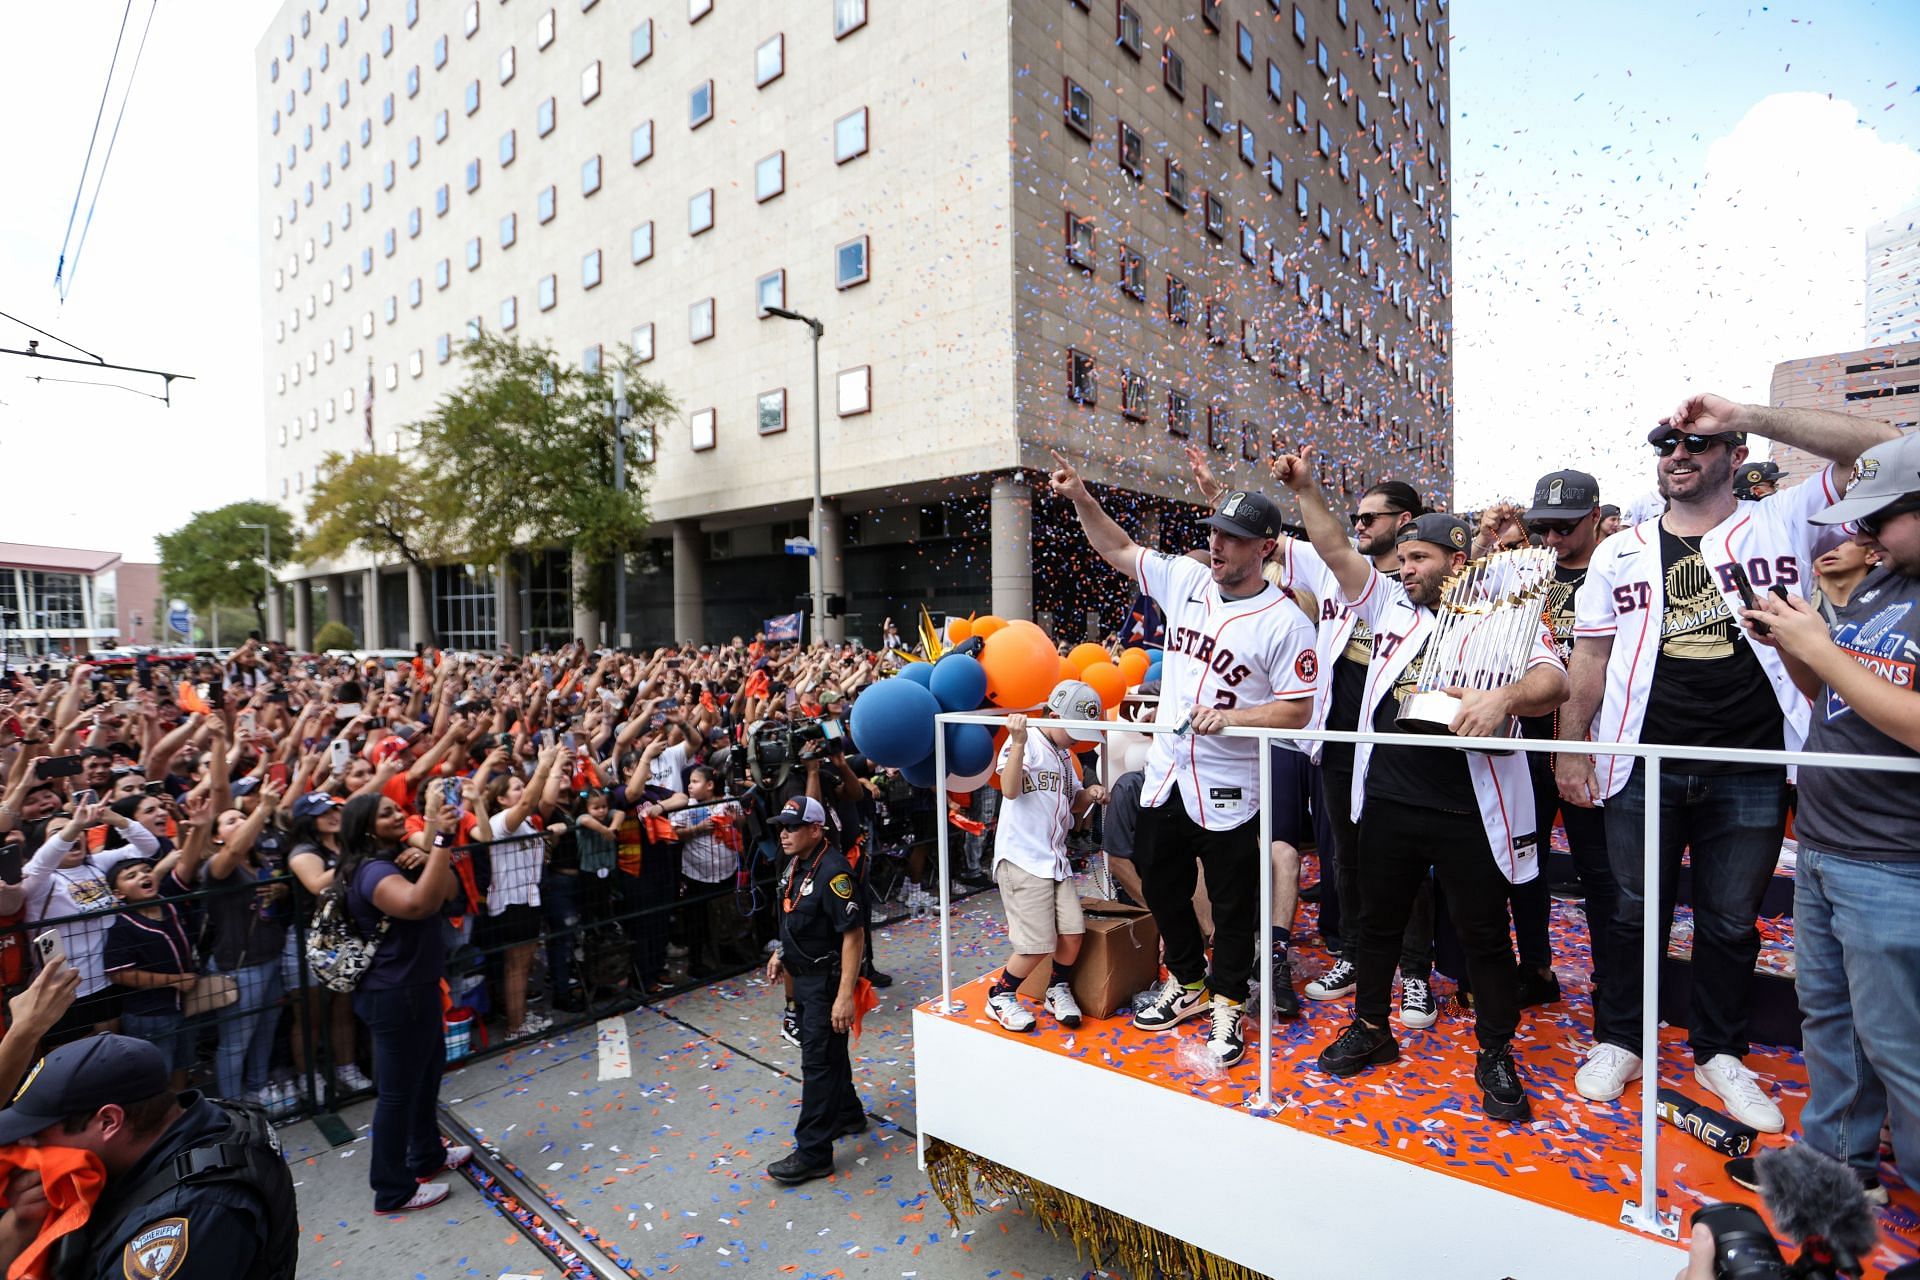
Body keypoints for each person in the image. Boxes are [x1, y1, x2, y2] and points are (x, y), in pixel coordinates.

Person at [1556, 392, 1897, 1129]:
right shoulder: (1621, 549)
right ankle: (1620, 1038)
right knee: (1629, 913)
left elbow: (1889, 450)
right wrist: (1574, 747)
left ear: (1735, 457)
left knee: (1731, 921)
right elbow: (1591, 654)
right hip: (1640, 760)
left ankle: (1719, 1050)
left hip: (1751, 762)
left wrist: (1744, 411)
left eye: (1696, 445)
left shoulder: (1781, 518)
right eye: (1665, 446)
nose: (1676, 455)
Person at [1278, 449, 1567, 1120]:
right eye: (1401, 560)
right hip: (1390, 800)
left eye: (1419, 559)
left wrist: (1507, 701)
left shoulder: (1508, 613)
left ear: (1456, 562)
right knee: (1375, 926)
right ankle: (1372, 1028)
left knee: (1485, 937)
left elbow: (1553, 679)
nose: (1403, 570)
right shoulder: (1389, 608)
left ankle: (1495, 1052)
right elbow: (1335, 550)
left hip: (1471, 808)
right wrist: (1308, 488)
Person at [1049, 450, 1316, 1069]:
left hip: (1229, 784)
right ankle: (1190, 982)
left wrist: (1235, 718)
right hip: (1168, 772)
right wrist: (1083, 498)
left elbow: (1298, 710)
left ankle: (1227, 1005)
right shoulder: (1189, 580)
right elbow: (1118, 551)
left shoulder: (1283, 622)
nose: (1218, 545)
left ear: (1265, 548)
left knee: (1231, 904)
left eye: (1234, 538)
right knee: (1159, 879)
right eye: (1215, 533)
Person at [1738, 428, 1920, 1201]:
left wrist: (1823, 644)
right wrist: (1790, 646)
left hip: (1896, 856)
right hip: (1825, 839)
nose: (1864, 533)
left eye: (1881, 518)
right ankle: (1837, 1169)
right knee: (1832, 1024)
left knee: (1900, 1044)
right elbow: (1836, 703)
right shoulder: (1883, 584)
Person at [0, 1034, 298, 1279]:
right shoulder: (185, 1120)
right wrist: (22, 1224)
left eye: (39, 1133)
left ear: (108, 1122)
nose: (28, 1146)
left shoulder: (192, 1214)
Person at [1509, 469, 1619, 1018]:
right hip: (1528, 743)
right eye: (1541, 527)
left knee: (1600, 872)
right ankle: (1536, 970)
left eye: (1563, 527)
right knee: (1524, 861)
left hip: (1592, 743)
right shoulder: (1529, 575)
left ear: (1595, 517)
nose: (1550, 539)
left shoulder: (1619, 568)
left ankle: (1611, 984)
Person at [337, 790, 470, 1213]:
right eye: (386, 813)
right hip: (395, 994)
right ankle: (392, 1190)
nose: (398, 815)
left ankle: (427, 1156)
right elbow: (417, 904)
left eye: (397, 809)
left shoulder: (399, 857)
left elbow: (449, 893)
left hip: (419, 986)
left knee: (427, 1076)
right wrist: (440, 843)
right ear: (365, 827)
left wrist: (428, 851)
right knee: (396, 1094)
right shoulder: (372, 870)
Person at [981, 684, 1108, 1033]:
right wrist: (1019, 742)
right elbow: (1009, 789)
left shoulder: (1066, 756)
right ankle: (1000, 995)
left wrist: (1089, 794)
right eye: (1073, 730)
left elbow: (1071, 802)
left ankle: (1057, 987)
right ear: (1053, 717)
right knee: (1036, 944)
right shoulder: (1027, 740)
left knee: (1072, 932)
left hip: (1054, 858)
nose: (1077, 740)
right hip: (1022, 856)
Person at [763, 796, 866, 1186]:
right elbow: (794, 913)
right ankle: (848, 1114)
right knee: (828, 1053)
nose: (784, 834)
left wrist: (844, 996)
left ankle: (814, 1153)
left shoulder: (834, 873)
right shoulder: (797, 864)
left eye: (792, 827)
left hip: (825, 983)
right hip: (803, 976)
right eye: (782, 826)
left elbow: (852, 937)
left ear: (815, 830)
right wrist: (782, 951)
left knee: (817, 1063)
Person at [1809, 522, 1879, 621]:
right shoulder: (1799, 599)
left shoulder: (1891, 600)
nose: (1830, 547)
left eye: (1844, 541)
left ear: (1873, 555)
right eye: (1821, 542)